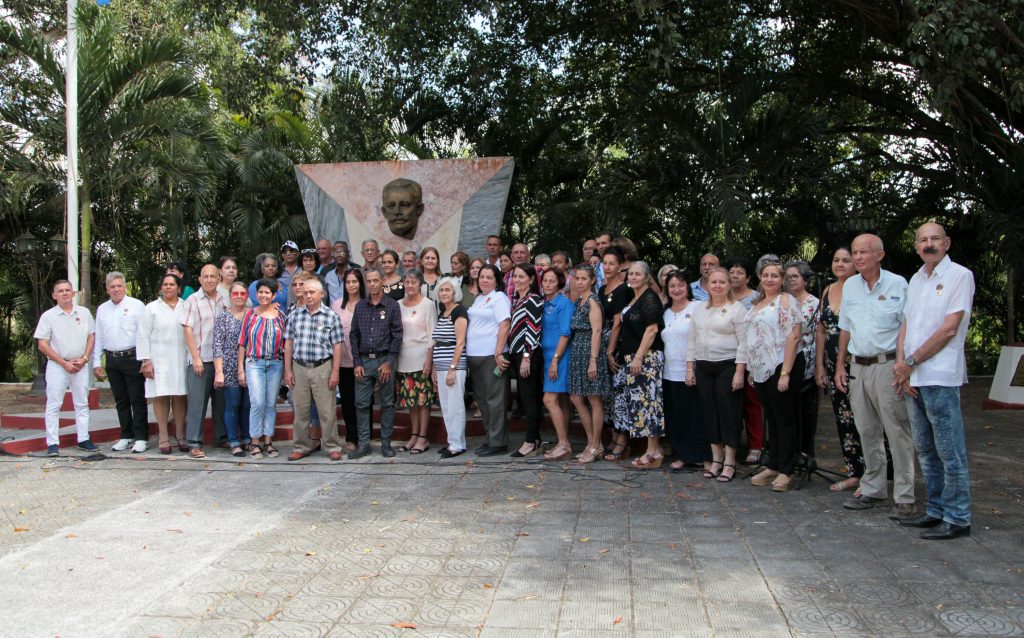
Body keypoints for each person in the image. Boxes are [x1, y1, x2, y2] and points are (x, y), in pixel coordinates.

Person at [893, 222, 975, 540]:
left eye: (935, 239)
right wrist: (902, 365)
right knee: (925, 449)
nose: (929, 244)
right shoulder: (916, 279)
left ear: (947, 243)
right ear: (916, 246)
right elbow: (907, 325)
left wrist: (910, 363)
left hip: (939, 375)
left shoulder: (959, 276)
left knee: (949, 450)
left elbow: (949, 329)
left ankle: (958, 517)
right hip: (913, 375)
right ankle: (936, 510)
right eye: (923, 240)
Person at [836, 234, 916, 519]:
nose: (857, 258)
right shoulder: (851, 287)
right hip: (858, 367)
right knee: (866, 430)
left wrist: (903, 364)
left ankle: (905, 495)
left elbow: (907, 326)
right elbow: (845, 327)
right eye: (855, 253)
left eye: (864, 253)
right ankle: (873, 487)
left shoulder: (898, 284)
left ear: (880, 255)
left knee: (896, 430)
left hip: (888, 366)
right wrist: (840, 365)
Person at [746, 260, 805, 492]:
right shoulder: (758, 303)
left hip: (782, 365)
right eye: (766, 275)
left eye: (775, 276)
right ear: (760, 277)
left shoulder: (786, 301)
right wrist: (752, 369)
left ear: (782, 280)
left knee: (785, 419)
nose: (769, 279)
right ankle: (773, 464)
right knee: (771, 418)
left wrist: (785, 373)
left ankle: (787, 470)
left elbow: (793, 337)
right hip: (762, 370)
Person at [686, 266, 748, 481]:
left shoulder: (737, 309)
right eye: (714, 282)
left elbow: (744, 342)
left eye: (722, 282)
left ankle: (730, 462)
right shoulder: (700, 308)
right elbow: (692, 340)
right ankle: (716, 459)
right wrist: (689, 368)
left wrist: (740, 371)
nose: (718, 286)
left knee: (728, 413)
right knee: (709, 413)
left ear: (729, 284)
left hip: (728, 366)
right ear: (707, 285)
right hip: (704, 366)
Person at [814, 247, 866, 493]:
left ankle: (876, 475)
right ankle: (854, 472)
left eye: (846, 260)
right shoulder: (828, 290)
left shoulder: (860, 288)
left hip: (857, 362)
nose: (840, 264)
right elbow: (822, 330)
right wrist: (820, 366)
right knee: (844, 419)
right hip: (832, 364)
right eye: (836, 260)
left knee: (866, 418)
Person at [611, 262, 665, 469]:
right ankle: (651, 450)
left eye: (638, 274)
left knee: (649, 404)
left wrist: (639, 357)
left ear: (647, 277)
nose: (633, 277)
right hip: (632, 357)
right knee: (641, 404)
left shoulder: (650, 298)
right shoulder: (634, 297)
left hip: (647, 358)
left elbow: (652, 330)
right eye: (631, 274)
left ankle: (654, 451)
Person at [284, 279, 346, 461]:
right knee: (301, 411)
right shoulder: (295, 315)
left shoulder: (330, 316)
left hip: (323, 367)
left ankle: (332, 446)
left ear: (322, 294)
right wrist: (287, 370)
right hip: (300, 367)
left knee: (327, 411)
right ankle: (300, 446)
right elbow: (288, 343)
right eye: (305, 292)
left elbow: (337, 346)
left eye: (312, 292)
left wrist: (335, 372)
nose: (308, 295)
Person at [34, 280, 96, 456]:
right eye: (60, 291)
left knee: (82, 403)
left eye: (68, 290)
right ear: (54, 295)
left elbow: (91, 337)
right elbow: (42, 344)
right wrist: (63, 363)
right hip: (57, 366)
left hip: (80, 365)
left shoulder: (84, 313)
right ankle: (53, 443)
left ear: (73, 293)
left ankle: (83, 439)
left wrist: (84, 359)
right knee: (54, 404)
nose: (65, 293)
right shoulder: (48, 316)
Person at [349, 268, 403, 459]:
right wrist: (356, 362)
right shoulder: (360, 306)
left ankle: (386, 444)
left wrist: (389, 361)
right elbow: (353, 334)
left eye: (375, 280)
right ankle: (363, 444)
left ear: (382, 282)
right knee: (362, 404)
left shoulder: (392, 305)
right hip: (364, 360)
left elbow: (397, 335)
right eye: (369, 281)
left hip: (384, 360)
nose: (372, 284)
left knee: (387, 404)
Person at [661, 270, 710, 472]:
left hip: (693, 369)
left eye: (680, 285)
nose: (676, 289)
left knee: (698, 415)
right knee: (677, 415)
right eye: (672, 286)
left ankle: (706, 456)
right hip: (670, 371)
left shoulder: (698, 307)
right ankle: (685, 455)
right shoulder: (664, 312)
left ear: (687, 287)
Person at [93, 272, 147, 453]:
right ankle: (126, 435)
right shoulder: (102, 309)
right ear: (107, 289)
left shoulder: (137, 306)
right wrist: (96, 362)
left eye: (119, 286)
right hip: (112, 360)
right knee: (121, 401)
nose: (116, 289)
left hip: (133, 358)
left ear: (125, 287)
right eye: (112, 286)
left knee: (137, 399)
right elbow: (99, 337)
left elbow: (144, 334)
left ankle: (141, 437)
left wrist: (146, 359)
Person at [180, 264, 228, 458]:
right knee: (197, 404)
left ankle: (221, 438)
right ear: (200, 280)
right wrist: (195, 357)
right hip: (201, 359)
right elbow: (187, 329)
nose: (209, 280)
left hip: (222, 361)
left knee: (221, 403)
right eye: (205, 276)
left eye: (212, 276)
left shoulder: (225, 300)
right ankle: (194, 442)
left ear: (219, 278)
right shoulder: (192, 300)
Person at [137, 274, 188, 454]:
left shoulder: (186, 306)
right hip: (158, 359)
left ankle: (181, 435)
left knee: (180, 396)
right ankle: (163, 436)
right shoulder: (151, 308)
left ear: (179, 288)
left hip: (181, 358)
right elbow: (142, 335)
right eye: (165, 284)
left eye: (172, 284)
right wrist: (146, 361)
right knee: (160, 396)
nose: (168, 287)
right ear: (161, 288)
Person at [237, 278, 287, 459]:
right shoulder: (250, 315)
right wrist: (240, 369)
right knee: (257, 402)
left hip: (275, 363)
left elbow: (286, 343)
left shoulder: (281, 316)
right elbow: (242, 343)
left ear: (274, 296)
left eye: (267, 293)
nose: (263, 295)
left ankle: (268, 441)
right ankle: (255, 442)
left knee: (270, 403)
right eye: (261, 292)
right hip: (254, 363)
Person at [567, 265, 612, 463]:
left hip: (590, 350)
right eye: (577, 278)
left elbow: (597, 331)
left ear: (592, 280)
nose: (579, 282)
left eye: (584, 278)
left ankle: (595, 444)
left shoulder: (593, 301)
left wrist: (593, 360)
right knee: (576, 397)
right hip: (577, 349)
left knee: (594, 398)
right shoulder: (578, 301)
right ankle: (592, 442)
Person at [466, 264, 512, 456]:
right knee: (483, 400)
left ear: (496, 280)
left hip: (491, 356)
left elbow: (504, 324)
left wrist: (499, 352)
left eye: (489, 277)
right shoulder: (478, 299)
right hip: (474, 356)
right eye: (482, 277)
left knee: (495, 400)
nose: (484, 280)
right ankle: (490, 438)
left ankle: (498, 442)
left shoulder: (499, 298)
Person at [723, 256, 762, 462]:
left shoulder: (756, 299)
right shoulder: (721, 297)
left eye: (740, 272)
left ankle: (756, 446)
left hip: (751, 357)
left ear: (748, 277)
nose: (735, 275)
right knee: (729, 405)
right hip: (726, 358)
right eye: (732, 272)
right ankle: (732, 445)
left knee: (751, 403)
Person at [395, 269, 438, 454]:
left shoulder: (428, 305)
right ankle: (413, 435)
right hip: (404, 358)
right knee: (410, 401)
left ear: (420, 284)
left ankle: (423, 437)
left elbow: (432, 336)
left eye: (413, 282)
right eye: (407, 282)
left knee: (423, 400)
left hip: (422, 358)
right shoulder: (397, 305)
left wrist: (429, 361)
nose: (410, 285)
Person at [507, 264, 545, 457]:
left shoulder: (533, 299)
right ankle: (535, 438)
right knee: (527, 397)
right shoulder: (519, 299)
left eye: (522, 277)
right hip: (518, 354)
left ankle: (530, 441)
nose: (518, 280)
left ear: (531, 279)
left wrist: (526, 357)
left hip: (527, 355)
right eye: (515, 277)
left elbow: (534, 328)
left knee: (529, 398)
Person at [598, 246, 632, 460]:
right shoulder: (601, 290)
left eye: (612, 263)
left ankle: (623, 442)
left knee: (620, 394)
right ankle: (612, 437)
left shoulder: (624, 290)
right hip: (602, 347)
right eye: (605, 263)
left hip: (617, 348)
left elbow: (618, 323)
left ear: (620, 266)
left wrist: (610, 352)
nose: (608, 267)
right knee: (607, 395)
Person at [785, 260, 820, 458]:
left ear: (805, 279)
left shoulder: (814, 304)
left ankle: (806, 454)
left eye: (795, 276)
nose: (790, 280)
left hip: (807, 363)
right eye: (787, 276)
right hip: (783, 365)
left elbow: (818, 334)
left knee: (806, 412)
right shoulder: (782, 301)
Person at [432, 277, 470, 458]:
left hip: (453, 366)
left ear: (455, 293)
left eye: (448, 290)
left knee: (455, 406)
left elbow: (460, 343)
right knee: (446, 406)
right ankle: (454, 442)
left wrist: (452, 368)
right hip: (441, 366)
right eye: (442, 290)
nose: (444, 293)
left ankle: (456, 445)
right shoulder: (443, 312)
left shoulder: (458, 312)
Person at [539, 268, 574, 460]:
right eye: (545, 280)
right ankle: (564, 442)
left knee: (549, 399)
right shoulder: (546, 303)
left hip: (559, 357)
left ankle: (563, 444)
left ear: (559, 283)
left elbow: (565, 333)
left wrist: (555, 360)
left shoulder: (564, 304)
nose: (547, 284)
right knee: (560, 400)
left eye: (552, 281)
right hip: (548, 356)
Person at [214, 281, 251, 457]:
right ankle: (233, 441)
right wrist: (219, 371)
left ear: (247, 296)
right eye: (235, 294)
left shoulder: (252, 315)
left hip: (250, 366)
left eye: (242, 294)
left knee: (247, 404)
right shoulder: (223, 317)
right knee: (232, 404)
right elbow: (217, 345)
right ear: (230, 296)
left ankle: (247, 439)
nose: (239, 297)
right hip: (228, 366)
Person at [331, 268, 365, 452]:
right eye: (348, 282)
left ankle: (364, 437)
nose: (351, 285)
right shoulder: (337, 305)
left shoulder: (366, 304)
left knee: (363, 400)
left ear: (360, 284)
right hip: (342, 361)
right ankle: (352, 438)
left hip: (362, 361)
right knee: (347, 401)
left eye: (355, 281)